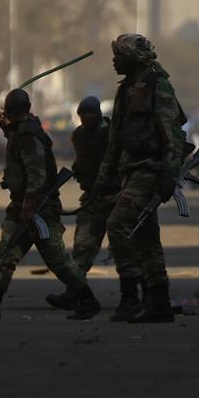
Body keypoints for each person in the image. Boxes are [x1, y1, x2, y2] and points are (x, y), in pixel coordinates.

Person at [0, 89, 101, 321]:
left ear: (12, 110)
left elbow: (36, 174)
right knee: (6, 256)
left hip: (38, 209)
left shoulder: (29, 135)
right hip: (22, 207)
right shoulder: (22, 130)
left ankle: (88, 300)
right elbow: (17, 142)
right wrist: (6, 128)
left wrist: (28, 206)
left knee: (57, 259)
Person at [95, 34, 188, 323]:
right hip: (131, 170)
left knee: (118, 224)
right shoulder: (127, 89)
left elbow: (171, 135)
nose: (114, 61)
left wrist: (168, 175)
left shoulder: (157, 86)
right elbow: (115, 140)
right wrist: (102, 178)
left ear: (133, 59)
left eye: (119, 56)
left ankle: (131, 296)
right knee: (146, 238)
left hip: (150, 169)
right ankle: (158, 302)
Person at [46, 95, 120, 311]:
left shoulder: (112, 134)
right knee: (82, 248)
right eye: (83, 114)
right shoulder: (78, 135)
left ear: (98, 114)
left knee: (127, 249)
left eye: (90, 113)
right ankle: (74, 292)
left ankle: (136, 295)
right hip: (92, 199)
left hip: (116, 198)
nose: (87, 117)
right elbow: (81, 160)